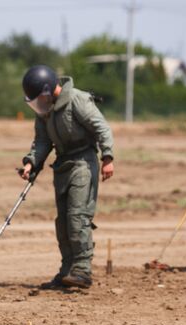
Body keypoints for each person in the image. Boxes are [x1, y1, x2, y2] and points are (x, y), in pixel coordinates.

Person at [18, 65, 114, 289]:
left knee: (77, 216)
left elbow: (102, 128)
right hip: (62, 165)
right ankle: (67, 269)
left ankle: (82, 269)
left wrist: (108, 157)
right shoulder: (45, 110)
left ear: (49, 90)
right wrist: (31, 162)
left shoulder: (77, 100)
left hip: (83, 162)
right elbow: (42, 141)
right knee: (62, 222)